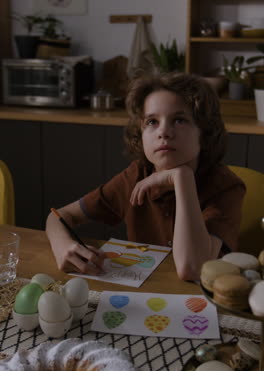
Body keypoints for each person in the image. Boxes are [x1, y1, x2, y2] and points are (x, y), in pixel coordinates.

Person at [46, 73, 245, 281]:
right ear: (140, 134)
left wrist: (182, 178)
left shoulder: (226, 188)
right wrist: (63, 246)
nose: (164, 132)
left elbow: (192, 268)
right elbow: (58, 216)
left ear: (204, 134)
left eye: (179, 120)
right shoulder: (136, 175)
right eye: (152, 121)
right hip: (143, 297)